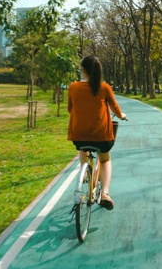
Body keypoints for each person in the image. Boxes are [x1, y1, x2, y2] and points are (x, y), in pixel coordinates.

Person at [67, 55, 126, 210]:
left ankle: (85, 174)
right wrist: (122, 116)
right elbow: (115, 108)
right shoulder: (105, 87)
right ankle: (105, 193)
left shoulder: (73, 87)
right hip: (102, 137)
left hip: (78, 135)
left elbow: (70, 109)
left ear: (83, 70)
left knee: (83, 148)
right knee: (105, 160)